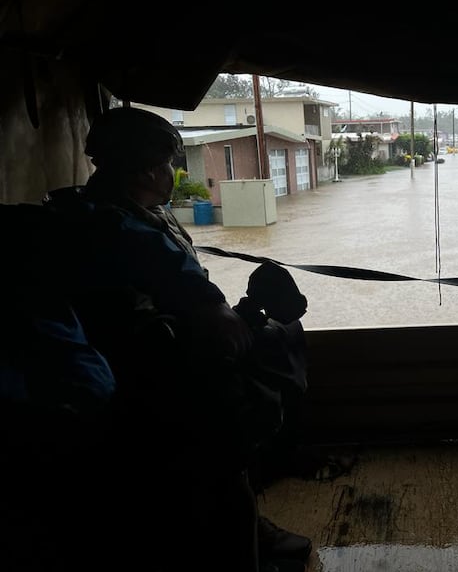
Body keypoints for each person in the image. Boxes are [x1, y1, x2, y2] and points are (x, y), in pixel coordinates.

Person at [44, 106, 309, 572]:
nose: (174, 174)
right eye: (170, 164)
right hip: (163, 374)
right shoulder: (127, 230)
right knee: (281, 344)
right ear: (148, 168)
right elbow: (215, 326)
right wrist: (252, 317)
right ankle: (242, 529)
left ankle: (246, 512)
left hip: (138, 360)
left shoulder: (95, 213)